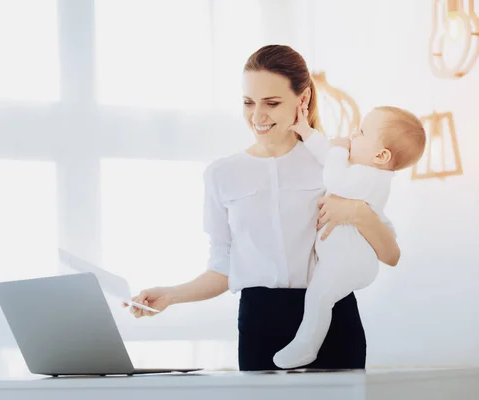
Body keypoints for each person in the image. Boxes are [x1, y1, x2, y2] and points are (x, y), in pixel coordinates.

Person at [123, 44, 401, 371]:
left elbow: (390, 254)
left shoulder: (332, 163)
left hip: (332, 318)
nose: (257, 116)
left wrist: (357, 213)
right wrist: (171, 295)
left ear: (303, 100)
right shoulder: (222, 174)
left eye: (271, 103)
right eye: (248, 102)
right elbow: (223, 270)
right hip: (260, 321)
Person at [272, 105, 426, 369]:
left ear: (381, 155)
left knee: (319, 297)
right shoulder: (363, 169)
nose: (354, 134)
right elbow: (327, 155)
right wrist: (307, 132)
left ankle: (306, 345)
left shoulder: (369, 176)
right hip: (345, 257)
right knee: (320, 296)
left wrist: (339, 149)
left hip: (350, 260)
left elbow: (334, 173)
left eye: (362, 132)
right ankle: (305, 343)